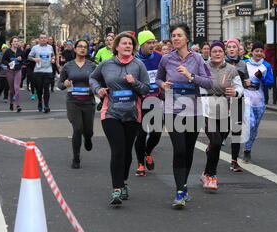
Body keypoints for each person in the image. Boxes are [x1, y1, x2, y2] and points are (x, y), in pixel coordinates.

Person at [156, 23, 213, 208]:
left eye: (179, 35)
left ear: (187, 39)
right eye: (173, 35)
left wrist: (190, 76)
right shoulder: (166, 59)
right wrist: (162, 85)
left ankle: (184, 185)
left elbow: (209, 83)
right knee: (179, 150)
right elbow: (158, 78)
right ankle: (179, 192)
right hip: (172, 110)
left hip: (193, 111)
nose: (175, 38)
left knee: (188, 152)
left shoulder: (197, 59)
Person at [90, 32, 150, 207]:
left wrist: (134, 83)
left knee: (126, 152)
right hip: (111, 113)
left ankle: (123, 181)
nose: (128, 46)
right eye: (124, 43)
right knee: (117, 150)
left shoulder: (138, 65)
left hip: (132, 114)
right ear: (116, 47)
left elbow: (146, 89)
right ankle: (116, 188)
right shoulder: (106, 65)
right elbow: (93, 78)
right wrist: (98, 89)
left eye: (130, 44)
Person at [200, 41, 243, 190]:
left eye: (219, 51)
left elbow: (240, 88)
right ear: (209, 54)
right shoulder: (203, 67)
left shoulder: (231, 69)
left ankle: (206, 171)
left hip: (225, 109)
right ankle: (211, 176)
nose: (217, 54)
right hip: (207, 109)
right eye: (214, 51)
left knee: (218, 141)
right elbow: (197, 84)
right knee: (217, 142)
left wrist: (236, 92)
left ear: (223, 53)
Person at [58, 40, 97, 169]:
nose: (82, 49)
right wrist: (65, 84)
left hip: (88, 102)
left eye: (85, 47)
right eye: (80, 47)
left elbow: (99, 82)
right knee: (77, 128)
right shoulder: (68, 66)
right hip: (73, 102)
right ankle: (76, 157)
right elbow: (60, 84)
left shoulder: (92, 66)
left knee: (88, 130)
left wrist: (95, 88)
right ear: (75, 49)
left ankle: (88, 137)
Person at [134, 30, 164, 177]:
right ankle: (140, 163)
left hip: (156, 99)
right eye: (149, 43)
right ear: (141, 44)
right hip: (140, 100)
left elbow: (165, 74)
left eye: (153, 42)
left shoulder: (159, 57)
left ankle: (148, 152)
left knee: (156, 134)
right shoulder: (134, 60)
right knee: (141, 133)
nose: (152, 45)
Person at [243, 41, 274, 163]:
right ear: (252, 52)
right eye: (256, 51)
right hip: (246, 96)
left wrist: (262, 77)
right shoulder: (244, 63)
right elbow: (236, 78)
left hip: (259, 99)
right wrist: (244, 82)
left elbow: (271, 83)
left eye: (261, 51)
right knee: (249, 123)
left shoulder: (266, 66)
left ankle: (247, 149)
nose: (259, 53)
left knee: (254, 128)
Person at [225, 38, 249, 172]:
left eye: (235, 47)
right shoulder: (221, 63)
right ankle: (213, 145)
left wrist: (247, 83)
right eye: (230, 47)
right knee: (222, 131)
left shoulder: (242, 65)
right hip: (222, 100)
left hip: (238, 99)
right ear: (226, 49)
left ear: (238, 49)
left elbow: (245, 81)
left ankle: (234, 161)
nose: (232, 49)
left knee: (236, 130)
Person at [28, 33, 56, 113]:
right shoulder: (35, 48)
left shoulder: (50, 47)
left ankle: (46, 106)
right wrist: (34, 59)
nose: (43, 39)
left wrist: (53, 59)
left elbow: (53, 56)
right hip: (38, 71)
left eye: (45, 38)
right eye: (41, 38)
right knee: (39, 89)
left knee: (46, 89)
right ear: (39, 39)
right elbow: (29, 57)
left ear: (47, 39)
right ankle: (40, 101)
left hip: (48, 71)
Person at [2, 37, 25, 113]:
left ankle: (18, 105)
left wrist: (21, 59)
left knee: (17, 88)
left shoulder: (20, 51)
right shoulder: (8, 51)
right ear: (11, 43)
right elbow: (3, 61)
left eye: (17, 41)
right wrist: (8, 63)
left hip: (18, 71)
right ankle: (11, 103)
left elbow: (25, 60)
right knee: (12, 90)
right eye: (15, 41)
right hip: (10, 72)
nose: (16, 43)